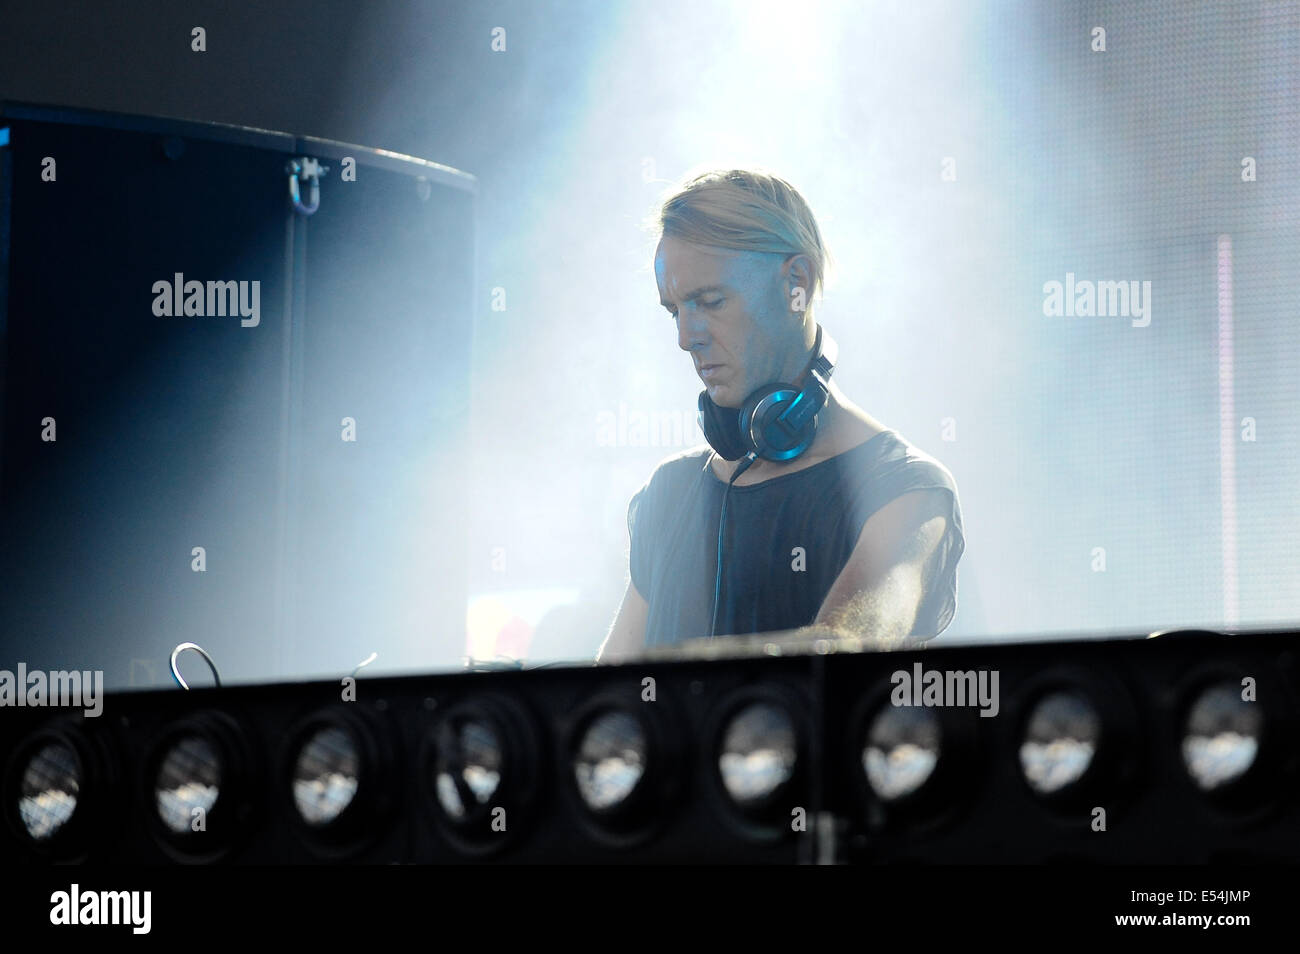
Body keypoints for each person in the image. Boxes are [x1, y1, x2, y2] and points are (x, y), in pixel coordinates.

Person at [597, 169, 964, 662]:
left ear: (797, 283)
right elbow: (610, 693)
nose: (686, 337)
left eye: (710, 302)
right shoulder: (669, 491)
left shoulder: (905, 490)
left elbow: (844, 649)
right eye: (675, 311)